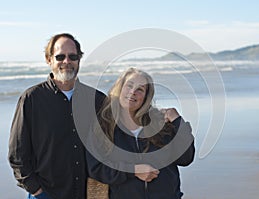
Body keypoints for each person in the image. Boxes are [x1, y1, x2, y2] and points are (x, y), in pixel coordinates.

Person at [8, 33, 105, 199]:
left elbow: (128, 123)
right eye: (60, 56)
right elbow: (17, 155)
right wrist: (36, 191)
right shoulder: (31, 99)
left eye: (72, 56)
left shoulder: (97, 100)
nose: (66, 62)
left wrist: (163, 115)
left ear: (79, 59)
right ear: (49, 59)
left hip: (87, 194)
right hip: (44, 194)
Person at [86, 68, 195, 199]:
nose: (133, 92)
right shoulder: (103, 127)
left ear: (146, 97)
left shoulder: (160, 123)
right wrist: (133, 171)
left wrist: (178, 122)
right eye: (129, 86)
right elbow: (97, 169)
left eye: (140, 89)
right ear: (120, 88)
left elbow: (185, 158)